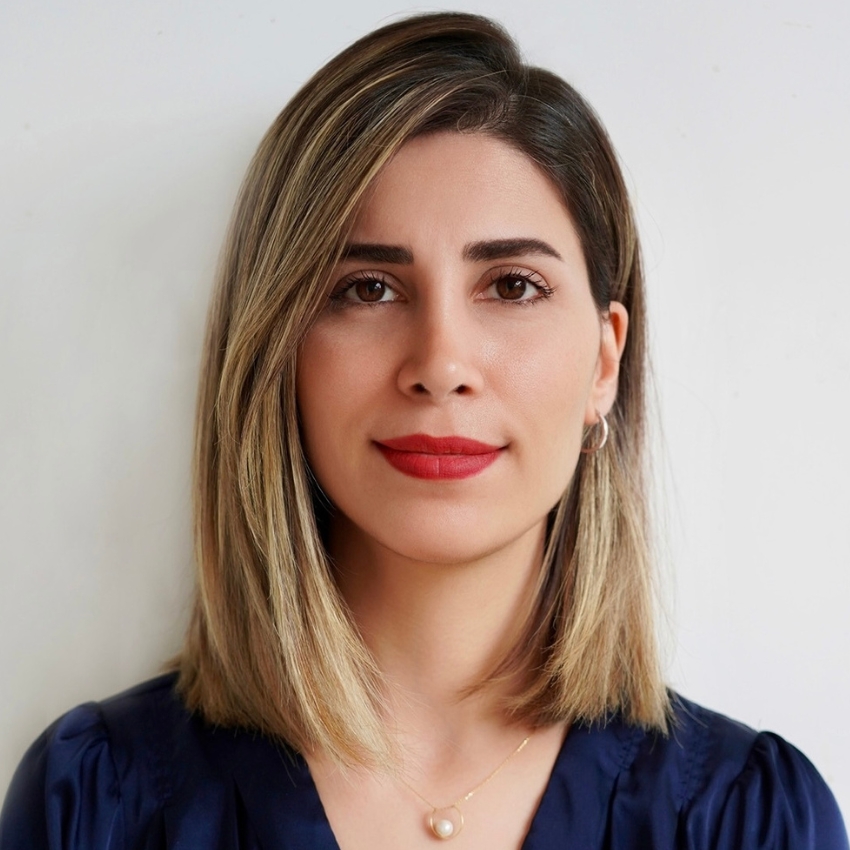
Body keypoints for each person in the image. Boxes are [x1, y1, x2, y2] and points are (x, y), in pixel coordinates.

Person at [0, 11, 846, 849]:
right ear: (276, 353)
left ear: (603, 361)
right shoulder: (97, 806)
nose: (441, 363)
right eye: (367, 288)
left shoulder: (751, 821)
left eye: (512, 286)